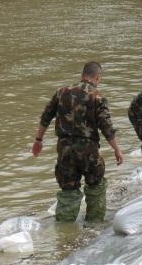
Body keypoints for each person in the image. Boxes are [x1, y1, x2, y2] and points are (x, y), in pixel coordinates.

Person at [32, 62, 124, 222]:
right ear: (97, 77)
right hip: (88, 150)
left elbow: (45, 117)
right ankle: (93, 230)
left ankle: (65, 235)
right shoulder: (97, 96)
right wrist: (117, 149)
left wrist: (38, 140)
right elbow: (106, 127)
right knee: (96, 188)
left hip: (65, 150)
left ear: (83, 75)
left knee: (68, 191)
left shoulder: (61, 92)